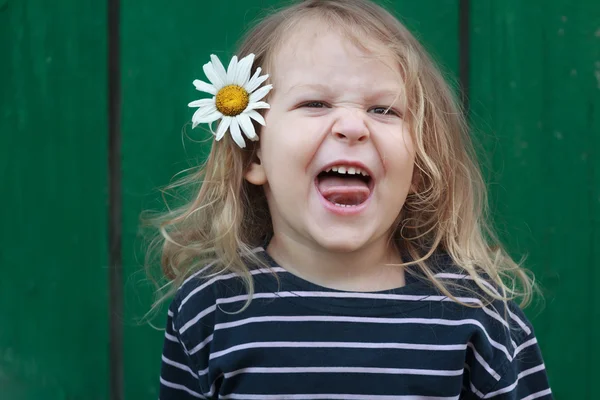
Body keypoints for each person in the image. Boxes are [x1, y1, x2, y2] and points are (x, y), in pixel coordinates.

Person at [150, 0, 552, 398]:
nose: (352, 125)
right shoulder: (210, 310)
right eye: (315, 104)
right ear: (254, 154)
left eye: (383, 110)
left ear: (419, 163)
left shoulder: (477, 316)